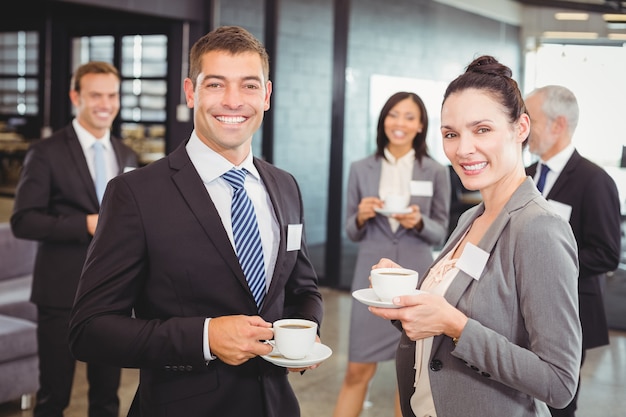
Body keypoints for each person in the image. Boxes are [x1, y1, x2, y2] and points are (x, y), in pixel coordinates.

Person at [68, 26, 324, 417]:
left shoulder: (285, 186)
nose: (233, 101)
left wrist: (304, 332)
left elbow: (303, 289)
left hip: (276, 405)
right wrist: (206, 336)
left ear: (267, 95)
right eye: (216, 85)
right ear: (190, 92)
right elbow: (90, 330)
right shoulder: (134, 194)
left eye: (249, 86)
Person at [367, 55, 582, 417]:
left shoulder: (538, 228)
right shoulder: (472, 216)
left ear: (520, 128)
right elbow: (453, 308)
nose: (462, 149)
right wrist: (405, 299)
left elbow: (558, 382)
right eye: (451, 134)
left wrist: (455, 325)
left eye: (482, 129)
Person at [10, 61, 138, 417]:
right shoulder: (45, 152)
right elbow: (23, 221)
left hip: (113, 295)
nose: (105, 104)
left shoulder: (125, 153)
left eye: (112, 95)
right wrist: (85, 223)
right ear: (75, 97)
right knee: (54, 397)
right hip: (60, 293)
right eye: (95, 95)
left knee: (107, 399)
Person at [332, 92, 450, 417]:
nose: (400, 123)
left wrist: (419, 221)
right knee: (356, 371)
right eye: (393, 115)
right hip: (371, 281)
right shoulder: (360, 169)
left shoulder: (436, 171)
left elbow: (441, 232)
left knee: (408, 380)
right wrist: (361, 215)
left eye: (409, 117)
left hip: (416, 281)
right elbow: (351, 231)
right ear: (383, 120)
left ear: (421, 125)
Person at [524, 85, 621, 417]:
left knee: (557, 403)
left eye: (530, 119)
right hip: (523, 310)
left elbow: (607, 253)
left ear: (558, 124)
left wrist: (552, 262)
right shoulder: (525, 176)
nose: (522, 126)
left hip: (569, 312)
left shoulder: (594, 180)